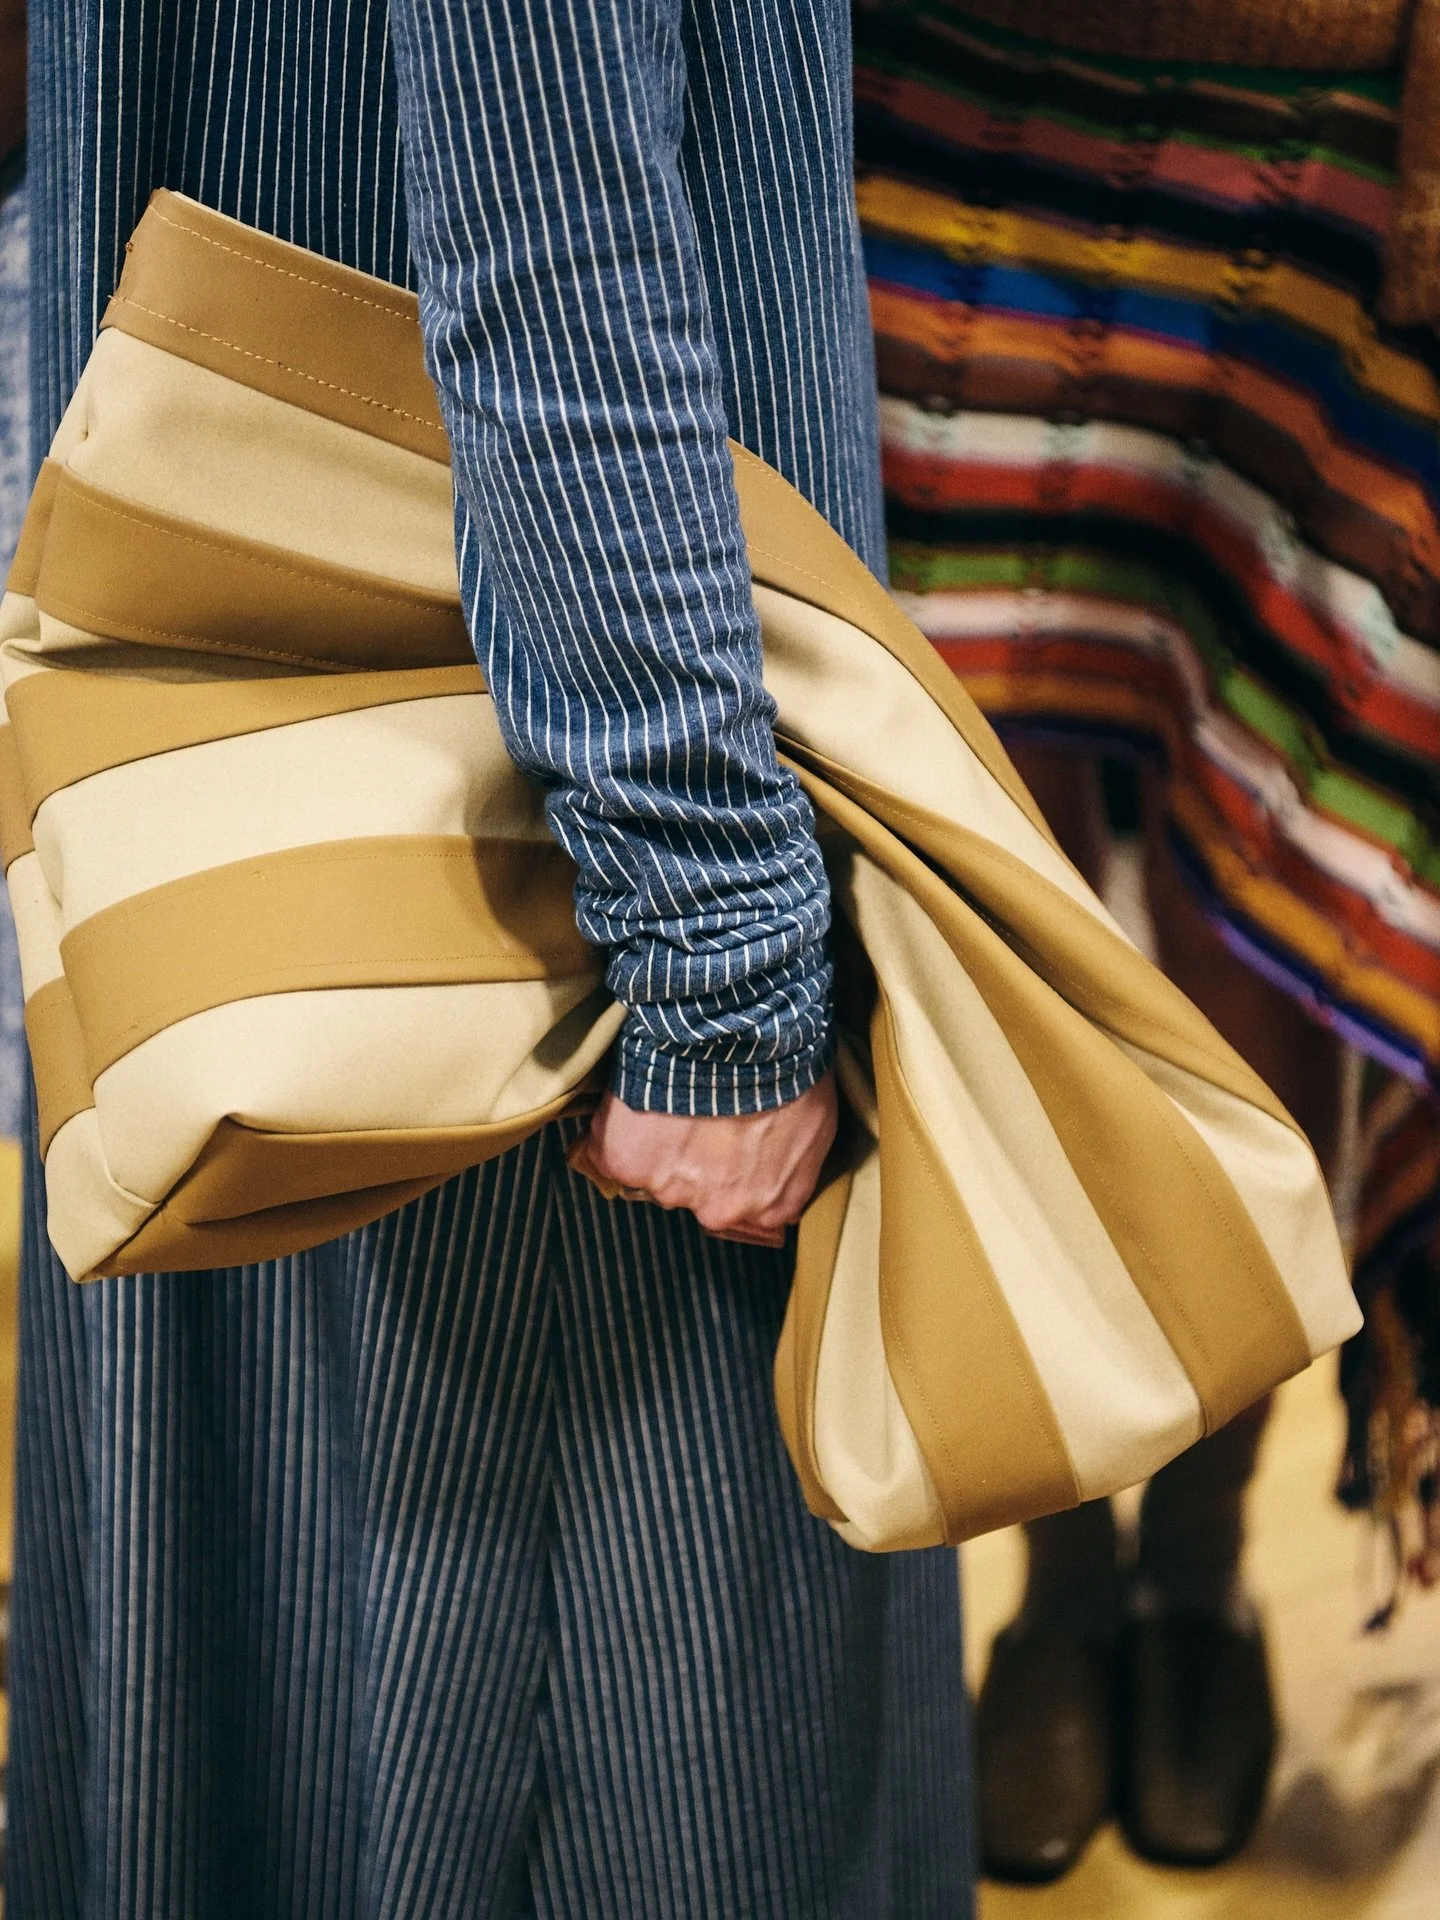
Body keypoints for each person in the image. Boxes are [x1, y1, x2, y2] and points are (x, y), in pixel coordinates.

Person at [7, 3, 975, 1915]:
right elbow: (559, 257)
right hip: (551, 850)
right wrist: (718, 970)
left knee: (283, 1673)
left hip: (283, 765)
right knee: (621, 1740)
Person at [855, 0, 1440, 1882]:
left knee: (1267, 901)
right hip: (951, 99)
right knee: (969, 878)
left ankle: (1200, 1554)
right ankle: (1061, 1562)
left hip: (1322, 142)